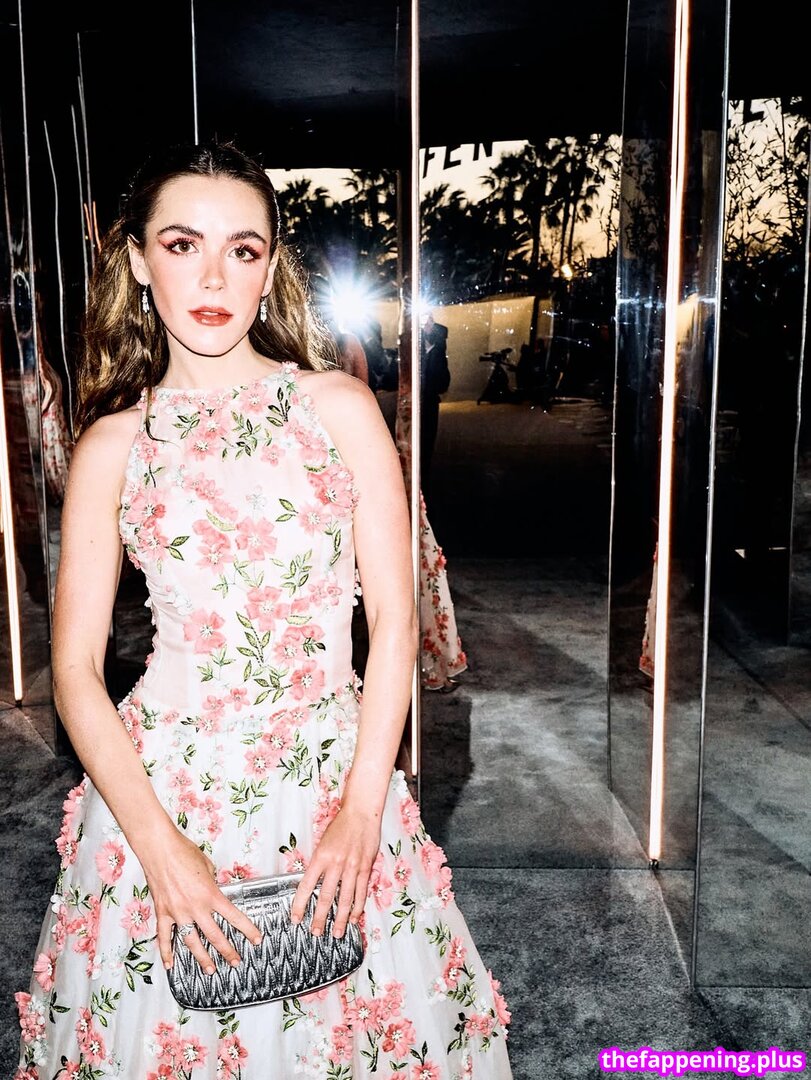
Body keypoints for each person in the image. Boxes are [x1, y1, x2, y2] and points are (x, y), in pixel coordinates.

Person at [14, 140, 512, 1078]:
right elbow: (75, 670)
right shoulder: (114, 442)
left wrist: (362, 807)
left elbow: (394, 624)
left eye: (242, 249)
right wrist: (159, 849)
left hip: (335, 777)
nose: (213, 277)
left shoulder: (338, 408)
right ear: (137, 261)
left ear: (270, 265)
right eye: (182, 244)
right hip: (162, 788)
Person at [419, 312, 451, 489]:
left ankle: (424, 479)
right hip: (414, 402)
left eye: (429, 321)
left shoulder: (438, 349)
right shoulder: (415, 346)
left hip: (429, 402)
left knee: (427, 442)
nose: (426, 324)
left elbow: (442, 382)